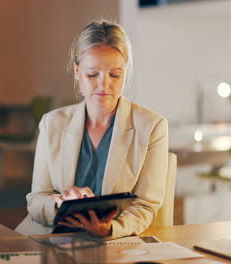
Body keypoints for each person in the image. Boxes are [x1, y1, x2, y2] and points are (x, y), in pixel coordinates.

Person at [15, 19, 168, 239]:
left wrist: (110, 229)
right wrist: (59, 204)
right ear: (77, 72)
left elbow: (146, 206)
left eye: (115, 74)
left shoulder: (152, 126)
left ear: (126, 73)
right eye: (92, 74)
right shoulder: (52, 123)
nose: (103, 84)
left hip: (111, 242)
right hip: (49, 236)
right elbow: (37, 199)